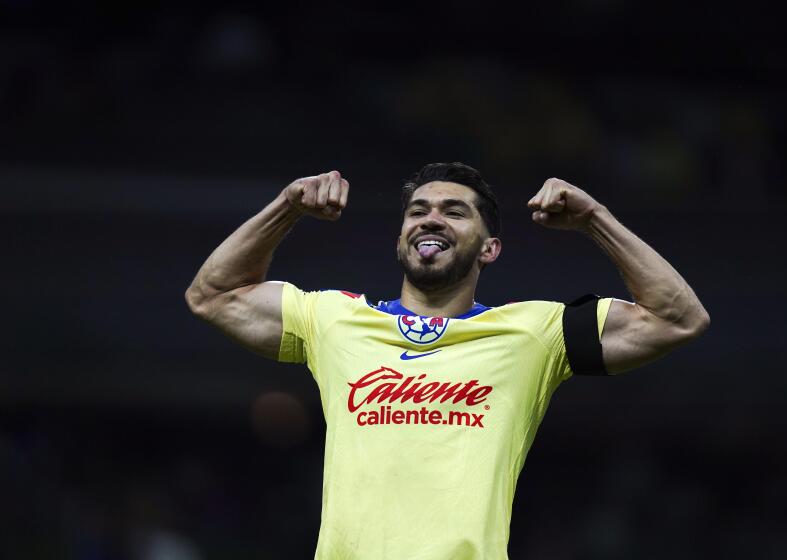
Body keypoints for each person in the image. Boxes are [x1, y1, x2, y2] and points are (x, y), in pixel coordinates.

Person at [185, 162, 710, 559]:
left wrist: (596, 219)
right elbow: (213, 295)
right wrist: (287, 207)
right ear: (400, 240)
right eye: (418, 211)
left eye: (455, 212)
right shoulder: (332, 319)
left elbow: (677, 318)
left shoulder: (533, 333)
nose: (431, 218)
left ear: (490, 249)